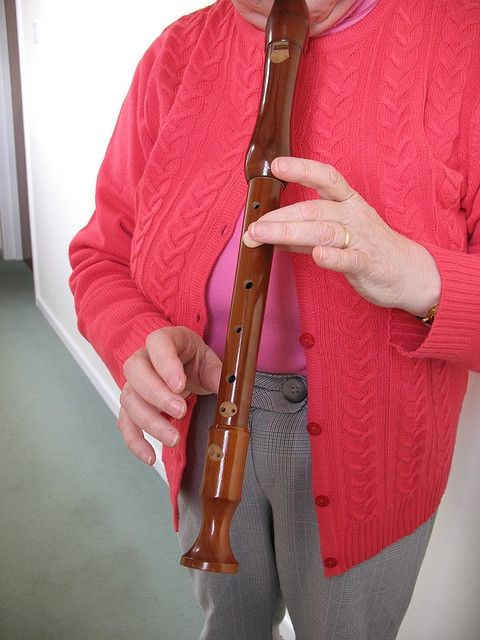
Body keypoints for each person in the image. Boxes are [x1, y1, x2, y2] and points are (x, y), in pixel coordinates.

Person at [68, 0, 480, 638]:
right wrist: (134, 338)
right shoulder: (177, 53)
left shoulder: (463, 37)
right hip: (205, 418)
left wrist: (418, 275)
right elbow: (100, 255)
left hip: (376, 446)